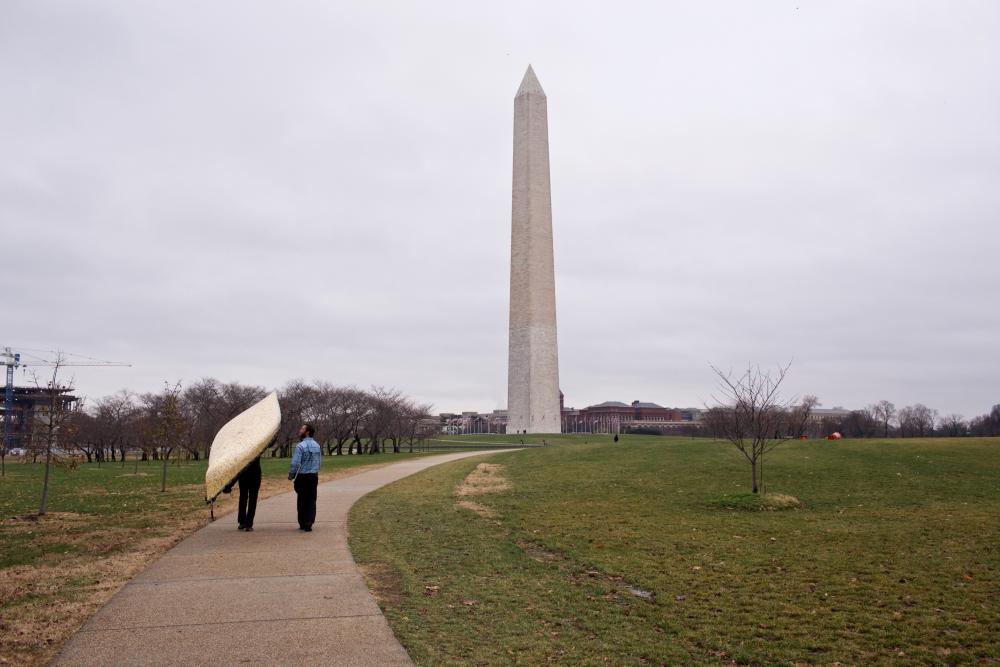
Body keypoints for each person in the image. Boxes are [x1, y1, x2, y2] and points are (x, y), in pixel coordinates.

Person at [289, 423, 322, 531]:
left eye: (302, 429)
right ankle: (309, 521)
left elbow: (295, 463)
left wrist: (291, 475)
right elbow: (319, 462)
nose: (300, 430)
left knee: (301, 499)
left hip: (302, 476)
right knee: (312, 499)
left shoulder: (300, 446)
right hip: (313, 476)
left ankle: (302, 522)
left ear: (307, 432)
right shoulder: (317, 445)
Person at [223, 456, 262, 531]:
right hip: (255, 474)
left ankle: (242, 522)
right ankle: (248, 524)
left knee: (243, 498)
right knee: (252, 499)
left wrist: (230, 484)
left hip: (244, 474)